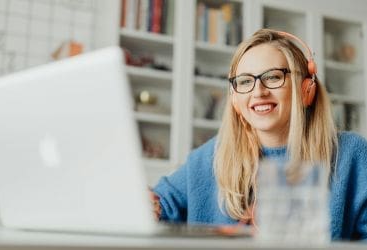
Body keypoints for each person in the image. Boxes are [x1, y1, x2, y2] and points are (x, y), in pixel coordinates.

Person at [151, 29, 367, 241]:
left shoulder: (352, 154)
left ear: (306, 90)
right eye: (245, 81)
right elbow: (159, 206)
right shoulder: (209, 157)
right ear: (235, 99)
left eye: (273, 77)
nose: (258, 91)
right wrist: (147, 205)